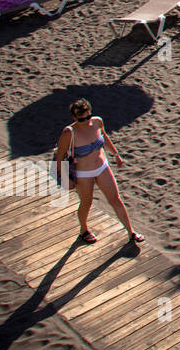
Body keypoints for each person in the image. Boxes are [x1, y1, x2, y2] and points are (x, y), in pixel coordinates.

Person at [54, 98, 144, 247]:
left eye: (88, 116)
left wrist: (116, 155)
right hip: (83, 173)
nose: (86, 121)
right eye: (81, 119)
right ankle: (83, 230)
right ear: (74, 118)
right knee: (86, 202)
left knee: (116, 200)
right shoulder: (69, 132)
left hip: (102, 167)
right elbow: (59, 156)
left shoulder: (97, 122)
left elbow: (105, 137)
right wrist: (65, 178)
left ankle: (131, 232)